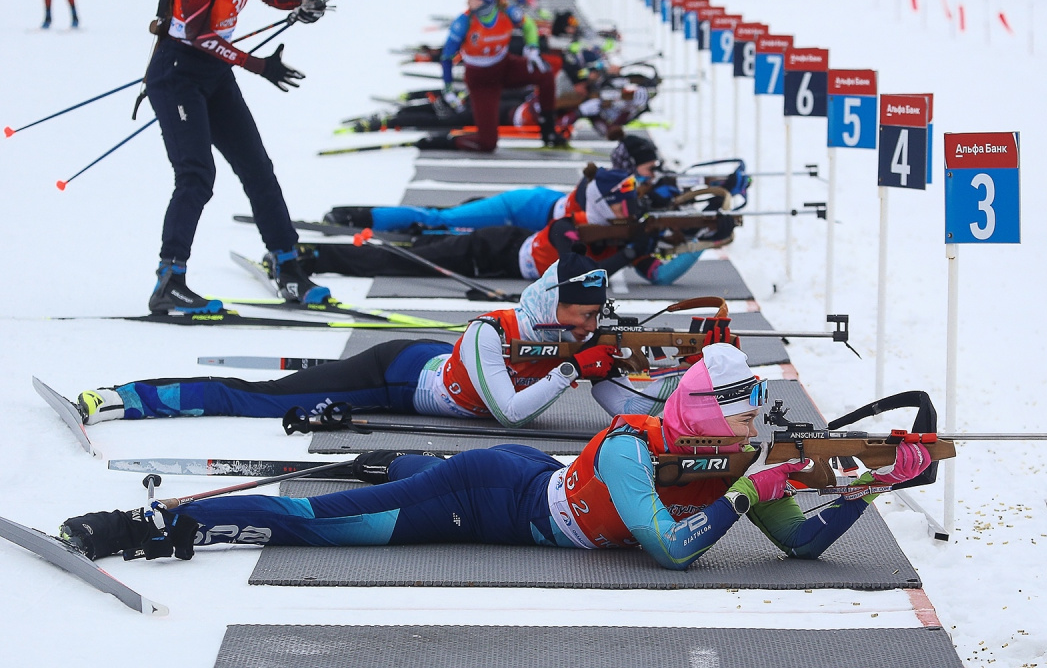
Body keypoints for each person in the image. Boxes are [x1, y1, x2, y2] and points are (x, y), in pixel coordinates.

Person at [59, 344, 932, 569]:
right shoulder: (634, 449)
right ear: (705, 421)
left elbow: (806, 544)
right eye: (744, 426)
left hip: (521, 483)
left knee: (391, 482)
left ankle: (390, 467)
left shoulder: (719, 466)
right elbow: (673, 549)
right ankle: (156, 524)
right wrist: (745, 493)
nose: (755, 439)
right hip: (488, 493)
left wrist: (873, 487)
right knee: (317, 528)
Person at [74, 254, 701, 427]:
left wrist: (671, 389)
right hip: (397, 375)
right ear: (553, 302)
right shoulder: (493, 331)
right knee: (266, 398)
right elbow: (511, 415)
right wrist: (571, 371)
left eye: (597, 316)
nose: (591, 326)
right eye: (583, 314)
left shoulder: (575, 339)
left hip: (441, 364)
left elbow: (627, 411)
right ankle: (127, 397)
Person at [144, 0, 331, 314]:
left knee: (257, 169)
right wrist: (258, 65)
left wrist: (299, 2)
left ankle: (288, 268)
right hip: (178, 71)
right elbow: (195, 32)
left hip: (215, 71)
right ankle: (169, 280)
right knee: (196, 175)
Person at [301, 167, 714, 286]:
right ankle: (322, 248)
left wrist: (697, 240)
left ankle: (321, 253)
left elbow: (659, 275)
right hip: (497, 242)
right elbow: (578, 273)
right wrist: (629, 250)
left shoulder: (614, 231)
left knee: (424, 241)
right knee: (420, 242)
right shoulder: (574, 226)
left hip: (500, 250)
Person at [320, 136, 662, 233]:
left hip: (534, 215)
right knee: (445, 220)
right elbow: (629, 209)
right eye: (649, 168)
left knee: (449, 218)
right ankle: (361, 215)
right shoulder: (607, 179)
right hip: (525, 208)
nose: (653, 176)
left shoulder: (625, 186)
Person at [418, 0, 558, 151]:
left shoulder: (506, 11)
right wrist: (448, 89)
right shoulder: (464, 21)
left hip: (505, 67)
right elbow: (446, 57)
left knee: (546, 73)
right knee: (488, 143)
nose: (468, 0)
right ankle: (445, 141)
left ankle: (548, 130)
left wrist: (532, 48)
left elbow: (528, 25)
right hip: (481, 81)